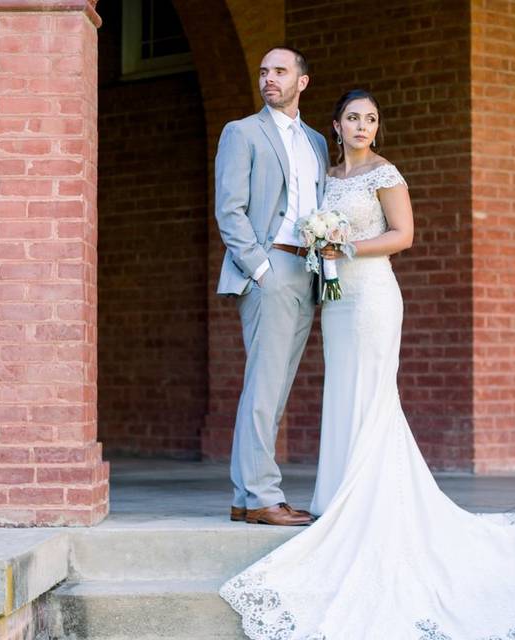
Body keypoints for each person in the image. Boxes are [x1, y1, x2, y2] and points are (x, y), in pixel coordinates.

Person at [220, 89, 515, 639]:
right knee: (343, 390)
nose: (363, 126)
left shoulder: (385, 173)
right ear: (334, 127)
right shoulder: (325, 174)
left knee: (372, 392)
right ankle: (338, 497)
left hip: (373, 297)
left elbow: (403, 236)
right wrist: (322, 249)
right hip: (336, 302)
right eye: (353, 118)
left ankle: (370, 501)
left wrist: (345, 247)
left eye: (371, 119)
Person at [214, 46, 330, 527]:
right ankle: (263, 494)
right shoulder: (242, 133)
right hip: (270, 269)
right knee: (264, 386)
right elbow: (230, 209)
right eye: (264, 72)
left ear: (302, 81)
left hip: (308, 272)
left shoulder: (318, 140)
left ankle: (247, 494)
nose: (269, 79)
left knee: (275, 387)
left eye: (280, 72)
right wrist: (259, 268)